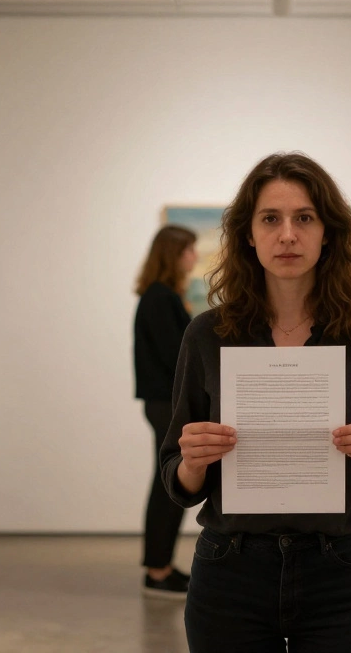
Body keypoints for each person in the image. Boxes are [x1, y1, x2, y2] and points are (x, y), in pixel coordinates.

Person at [160, 153, 351, 653]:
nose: (287, 235)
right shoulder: (207, 336)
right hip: (230, 572)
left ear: (329, 232)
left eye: (304, 218)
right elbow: (178, 478)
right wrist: (192, 462)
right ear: (247, 235)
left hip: (343, 571)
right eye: (270, 219)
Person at [134, 224, 199, 598]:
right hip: (165, 403)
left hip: (163, 402)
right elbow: (177, 355)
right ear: (174, 253)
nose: (193, 256)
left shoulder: (162, 296)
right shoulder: (160, 298)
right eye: (189, 249)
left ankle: (160, 566)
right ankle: (157, 571)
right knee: (167, 483)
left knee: (167, 482)